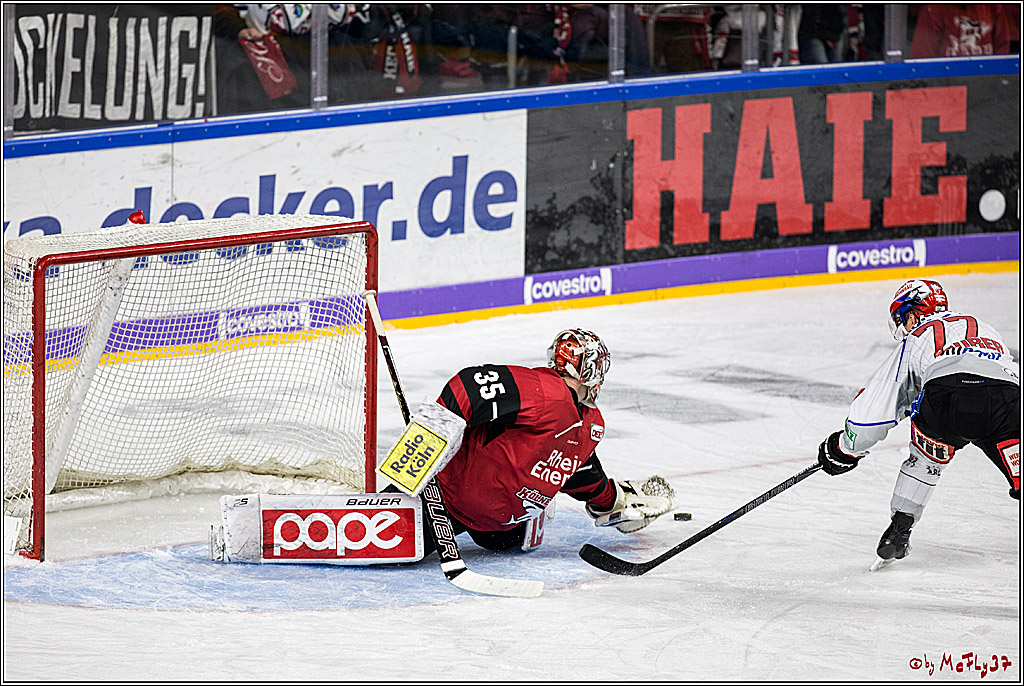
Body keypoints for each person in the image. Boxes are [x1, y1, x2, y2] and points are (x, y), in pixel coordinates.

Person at [388, 328, 677, 555]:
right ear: (589, 371)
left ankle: (528, 516)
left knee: (504, 538)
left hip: (503, 531)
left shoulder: (589, 423)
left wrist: (614, 503)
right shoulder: (541, 390)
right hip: (444, 500)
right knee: (376, 538)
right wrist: (422, 448)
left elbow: (578, 471)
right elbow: (468, 385)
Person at [817, 279, 1020, 566]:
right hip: (1004, 400)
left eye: (903, 319)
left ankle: (898, 532)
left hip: (945, 401)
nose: (902, 327)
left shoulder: (918, 336)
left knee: (926, 458)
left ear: (914, 314)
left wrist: (844, 448)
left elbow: (876, 406)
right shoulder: (983, 327)